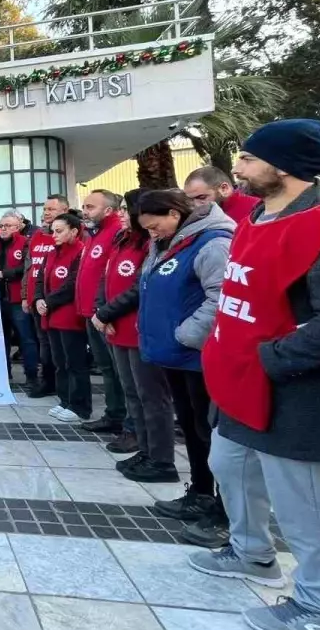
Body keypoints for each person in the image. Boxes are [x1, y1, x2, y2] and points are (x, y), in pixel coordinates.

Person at [191, 120, 320, 630]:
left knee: (307, 506)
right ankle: (251, 552)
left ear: (284, 167)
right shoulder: (259, 216)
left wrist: (272, 358)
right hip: (242, 385)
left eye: (250, 159)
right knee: (228, 466)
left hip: (299, 394)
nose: (238, 168)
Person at [136, 189, 234, 548]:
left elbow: (222, 296)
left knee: (211, 433)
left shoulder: (213, 243)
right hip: (174, 355)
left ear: (175, 213)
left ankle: (225, 509)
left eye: (155, 224)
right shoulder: (165, 244)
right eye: (146, 229)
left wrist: (186, 334)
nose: (152, 233)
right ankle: (200, 492)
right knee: (192, 430)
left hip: (198, 355)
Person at [92, 189, 178, 481]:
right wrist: (102, 310)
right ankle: (144, 448)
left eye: (125, 210)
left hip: (137, 328)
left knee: (152, 397)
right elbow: (106, 277)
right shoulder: (121, 239)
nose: (119, 215)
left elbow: (139, 285)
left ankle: (162, 459)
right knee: (132, 392)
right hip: (115, 328)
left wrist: (107, 313)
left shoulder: (152, 244)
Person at [75, 190, 132, 446]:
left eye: (90, 207)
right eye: (84, 206)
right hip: (91, 313)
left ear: (108, 210)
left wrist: (104, 310)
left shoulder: (117, 233)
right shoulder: (94, 235)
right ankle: (114, 414)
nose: (84, 211)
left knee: (122, 373)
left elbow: (111, 278)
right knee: (107, 369)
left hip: (108, 315)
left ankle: (130, 423)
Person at [35, 213, 90, 423]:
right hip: (50, 316)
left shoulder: (80, 252)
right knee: (59, 362)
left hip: (68, 316)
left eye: (59, 231)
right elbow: (40, 278)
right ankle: (65, 400)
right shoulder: (52, 252)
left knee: (74, 362)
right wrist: (39, 298)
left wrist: (48, 301)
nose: (54, 235)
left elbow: (71, 283)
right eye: (52, 231)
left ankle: (80, 406)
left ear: (74, 231)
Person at [21, 195, 69, 397]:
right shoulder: (37, 237)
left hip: (56, 302)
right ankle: (47, 381)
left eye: (51, 209)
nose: (46, 213)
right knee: (44, 345)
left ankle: (61, 385)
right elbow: (28, 268)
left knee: (59, 348)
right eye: (45, 209)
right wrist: (26, 296)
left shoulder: (69, 236)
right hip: (35, 300)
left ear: (64, 210)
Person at [0, 212, 38, 384]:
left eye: (8, 226)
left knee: (26, 338)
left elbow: (27, 267)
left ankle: (32, 376)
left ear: (18, 226)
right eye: (1, 225)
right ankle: (4, 374)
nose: (4, 229)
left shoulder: (26, 243)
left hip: (17, 300)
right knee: (1, 339)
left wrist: (5, 274)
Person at [183, 166, 262, 226]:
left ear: (224, 188)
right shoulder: (195, 216)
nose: (195, 205)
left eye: (202, 198)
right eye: (191, 200)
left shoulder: (258, 208)